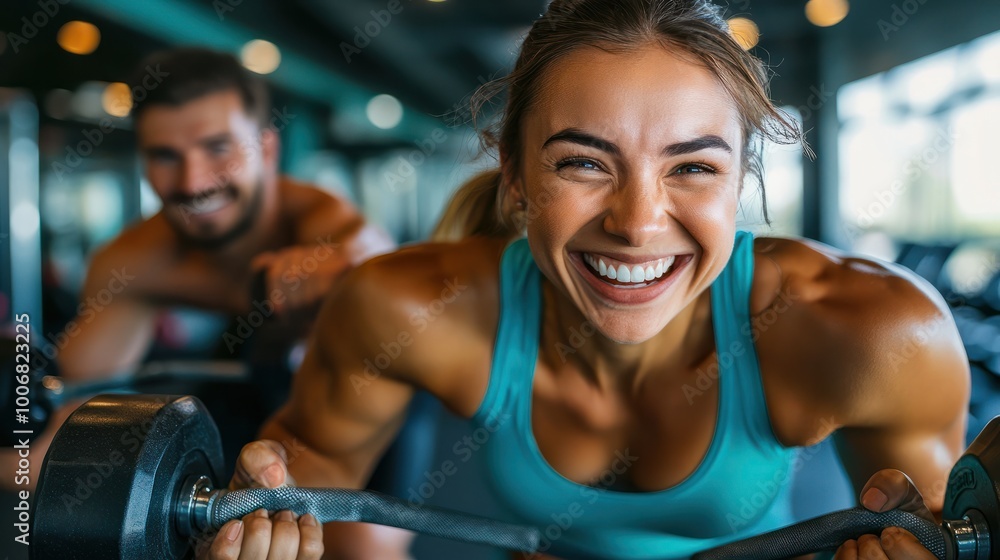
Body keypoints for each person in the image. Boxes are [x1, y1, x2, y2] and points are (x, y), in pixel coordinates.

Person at [206, 1, 970, 559]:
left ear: (740, 179)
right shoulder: (404, 307)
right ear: (515, 175)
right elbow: (312, 482)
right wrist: (255, 520)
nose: (637, 224)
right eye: (582, 163)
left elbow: (947, 523)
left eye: (692, 168)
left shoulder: (875, 331)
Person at [3, 48, 429, 559]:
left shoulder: (320, 225)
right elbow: (63, 435)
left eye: (218, 148)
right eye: (166, 156)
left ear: (267, 149)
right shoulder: (133, 262)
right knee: (224, 533)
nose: (193, 181)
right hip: (249, 366)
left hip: (359, 373)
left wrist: (333, 273)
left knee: (360, 545)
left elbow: (368, 252)